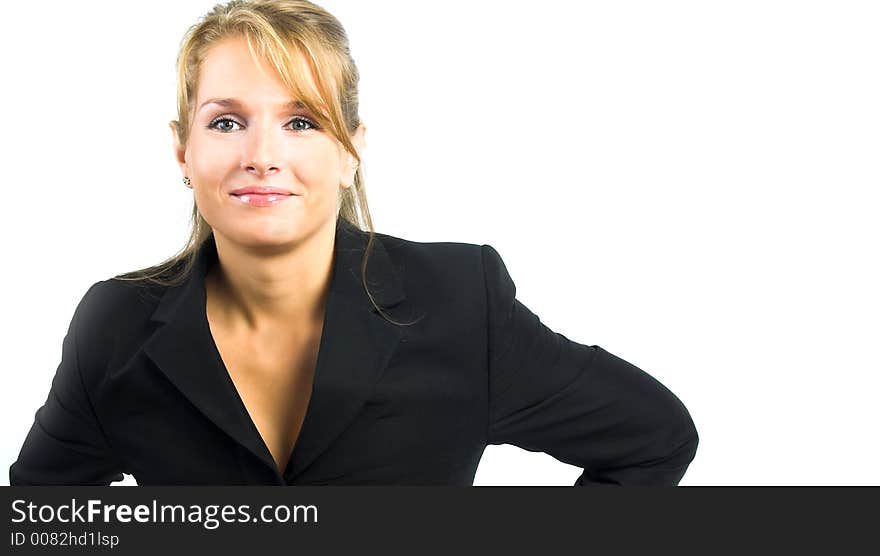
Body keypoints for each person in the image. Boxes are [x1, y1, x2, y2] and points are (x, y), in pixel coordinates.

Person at [9, 0, 698, 485]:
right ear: (182, 150)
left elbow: (654, 440)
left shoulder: (461, 304)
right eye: (226, 123)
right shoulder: (114, 326)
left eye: (302, 121)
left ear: (350, 153)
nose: (262, 155)